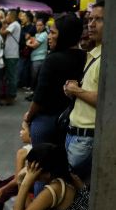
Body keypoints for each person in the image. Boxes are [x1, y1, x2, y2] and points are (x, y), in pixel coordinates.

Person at [25, 14, 85, 147]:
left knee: (40, 164)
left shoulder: (52, 60)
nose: (48, 36)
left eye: (52, 33)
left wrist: (28, 118)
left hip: (48, 123)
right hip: (73, 121)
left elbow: (39, 98)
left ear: (64, 35)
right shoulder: (85, 57)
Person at [64, 1, 103, 182]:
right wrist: (76, 91)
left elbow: (104, 100)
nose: (91, 24)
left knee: (67, 184)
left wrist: (76, 91)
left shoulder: (106, 58)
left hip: (86, 138)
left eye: (99, 19)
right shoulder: (94, 53)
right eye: (90, 19)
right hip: (76, 134)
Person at [0, 9, 22, 105]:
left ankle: (11, 96)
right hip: (11, 53)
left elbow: (3, 33)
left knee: (11, 76)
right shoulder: (14, 25)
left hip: (11, 54)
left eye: (7, 16)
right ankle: (10, 95)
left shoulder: (14, 24)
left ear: (12, 16)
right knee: (10, 75)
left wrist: (2, 23)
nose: (6, 17)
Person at [25, 18, 49, 92]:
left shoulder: (44, 34)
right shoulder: (37, 34)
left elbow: (34, 45)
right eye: (37, 25)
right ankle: (33, 94)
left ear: (44, 26)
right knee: (34, 77)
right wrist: (30, 41)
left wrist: (28, 43)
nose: (38, 27)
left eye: (40, 25)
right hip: (35, 58)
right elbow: (31, 40)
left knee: (36, 78)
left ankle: (35, 94)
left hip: (39, 58)